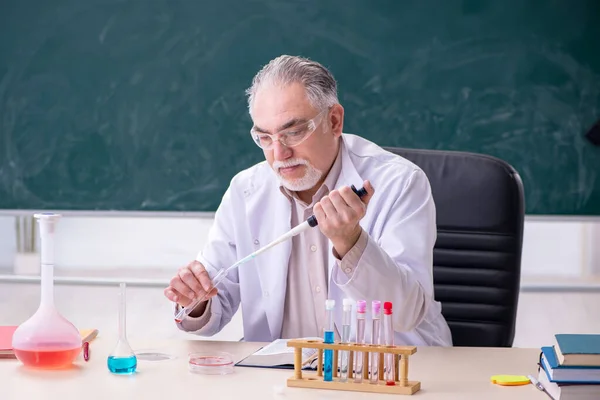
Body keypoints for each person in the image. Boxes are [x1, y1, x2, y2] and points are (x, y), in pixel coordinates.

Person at [164, 55, 452, 346]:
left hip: (387, 373)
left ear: (334, 120)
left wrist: (351, 243)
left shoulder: (398, 183)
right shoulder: (245, 191)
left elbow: (407, 313)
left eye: (294, 132)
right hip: (283, 377)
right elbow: (214, 302)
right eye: (265, 138)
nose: (279, 153)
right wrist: (196, 301)